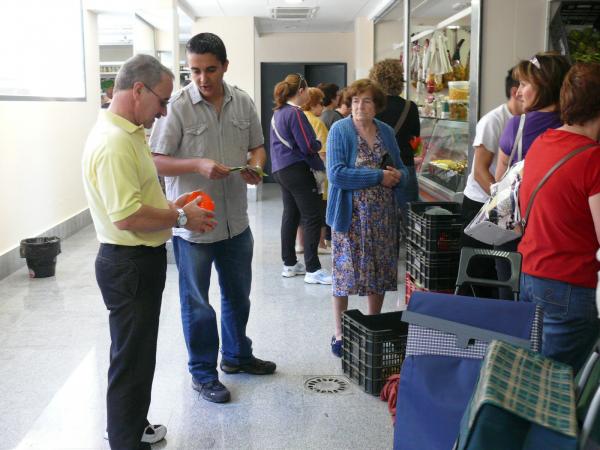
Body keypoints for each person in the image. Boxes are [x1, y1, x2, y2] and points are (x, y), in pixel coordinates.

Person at [82, 54, 216, 450]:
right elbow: (126, 216)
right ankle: (125, 440)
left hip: (137, 261)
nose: (162, 112)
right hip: (128, 263)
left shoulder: (128, 132)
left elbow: (138, 196)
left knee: (137, 354)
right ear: (138, 89)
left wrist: (178, 208)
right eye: (161, 102)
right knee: (131, 358)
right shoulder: (114, 144)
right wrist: (179, 218)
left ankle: (132, 425)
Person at [149, 32, 276, 406]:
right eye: (194, 71)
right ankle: (203, 374)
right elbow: (155, 158)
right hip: (194, 227)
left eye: (210, 70)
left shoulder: (243, 102)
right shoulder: (175, 107)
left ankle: (237, 356)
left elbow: (257, 146)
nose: (202, 79)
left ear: (224, 66)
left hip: (236, 221)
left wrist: (255, 167)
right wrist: (197, 164)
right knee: (197, 304)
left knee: (238, 297)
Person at [518, 62, 600, 373]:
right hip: (570, 285)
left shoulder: (543, 143)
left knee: (538, 375)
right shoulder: (593, 159)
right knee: (554, 385)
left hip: (532, 274)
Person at [326, 79, 408, 357]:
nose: (360, 106)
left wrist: (398, 176)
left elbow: (400, 166)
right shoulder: (340, 130)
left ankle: (374, 323)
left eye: (367, 101)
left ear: (377, 106)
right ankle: (339, 333)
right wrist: (378, 176)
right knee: (344, 274)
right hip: (351, 217)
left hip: (383, 216)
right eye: (356, 101)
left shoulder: (385, 131)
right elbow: (336, 174)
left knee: (381, 271)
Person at [493, 52, 571, 298]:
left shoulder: (517, 125)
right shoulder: (578, 126)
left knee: (511, 308)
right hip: (557, 235)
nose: (517, 92)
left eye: (524, 85)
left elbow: (499, 178)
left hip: (512, 228)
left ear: (544, 86)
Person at [458, 68, 523, 297]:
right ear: (516, 92)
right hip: (481, 206)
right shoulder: (494, 121)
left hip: (505, 209)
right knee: (479, 274)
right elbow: (479, 171)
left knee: (500, 276)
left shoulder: (526, 122)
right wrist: (503, 203)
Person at [270, 73, 332, 285]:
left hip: (281, 169)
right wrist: (316, 144)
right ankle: (313, 269)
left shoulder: (277, 113)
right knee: (312, 216)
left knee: (291, 214)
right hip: (298, 170)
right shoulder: (295, 114)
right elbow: (307, 145)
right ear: (302, 91)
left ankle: (289, 264)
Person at [369, 58, 420, 226]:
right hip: (404, 164)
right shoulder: (409, 106)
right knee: (411, 216)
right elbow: (415, 139)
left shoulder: (372, 106)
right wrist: (416, 154)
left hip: (376, 166)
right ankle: (411, 249)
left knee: (377, 214)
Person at [302, 87, 331, 253]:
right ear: (312, 104)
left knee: (301, 211)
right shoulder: (317, 122)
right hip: (318, 173)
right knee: (320, 209)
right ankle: (321, 243)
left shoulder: (298, 117)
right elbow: (324, 151)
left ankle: (300, 243)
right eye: (320, 103)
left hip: (301, 171)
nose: (322, 107)